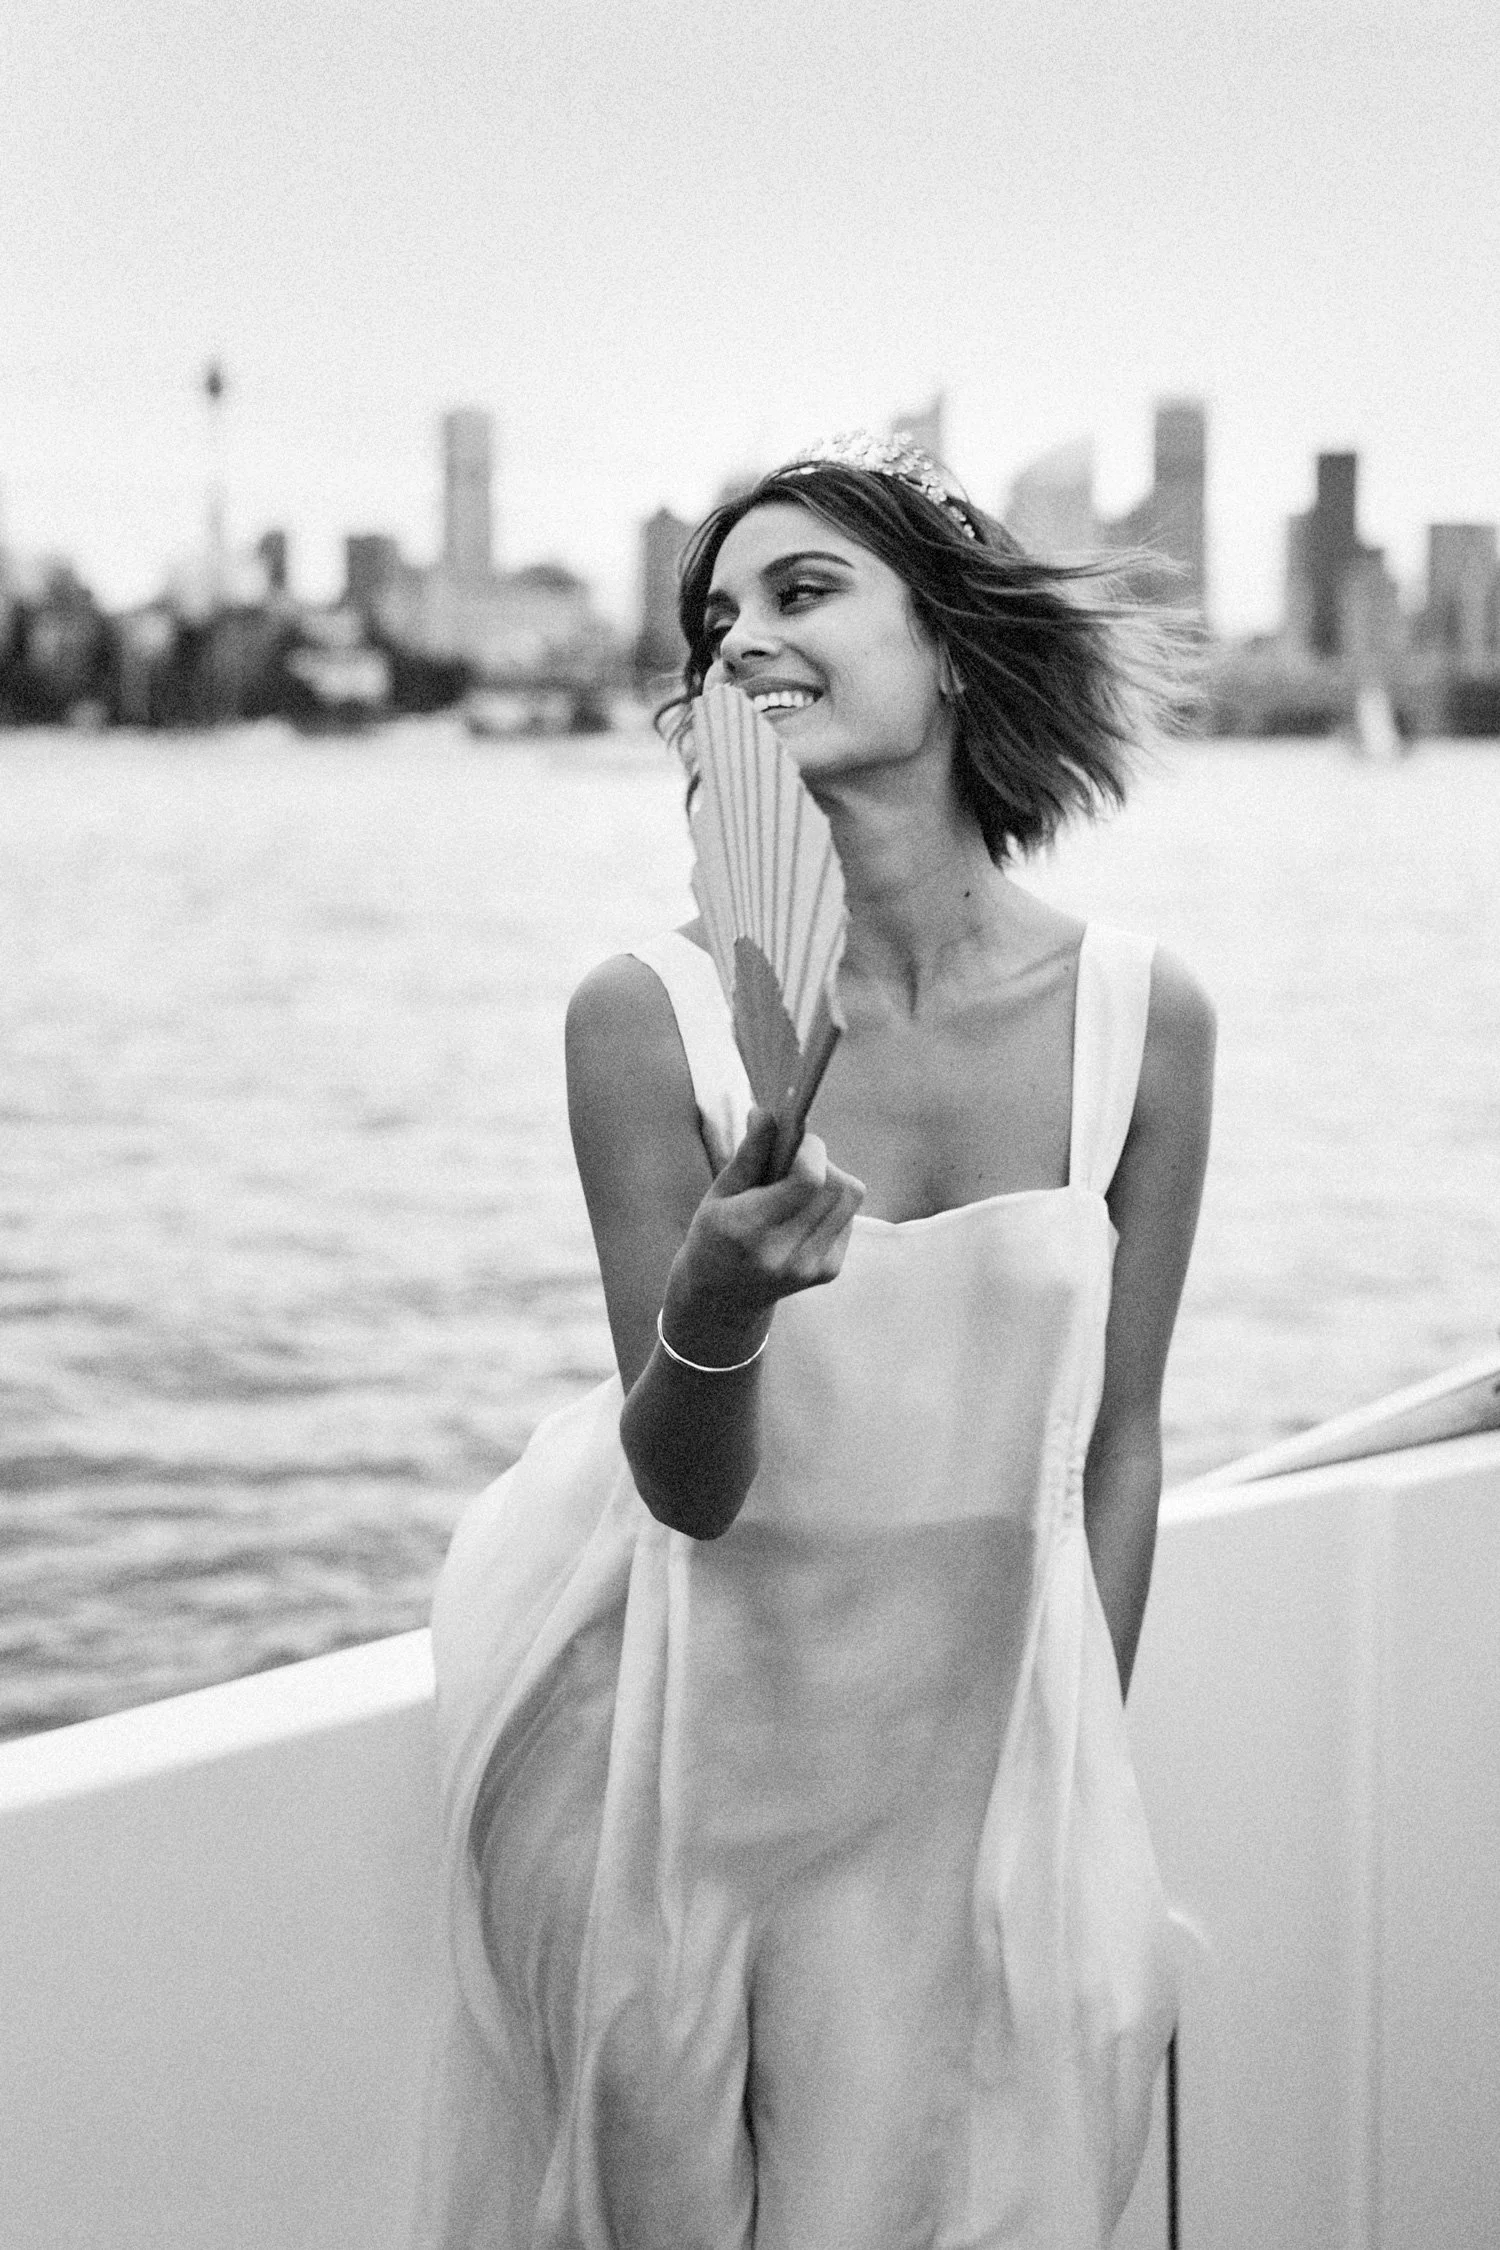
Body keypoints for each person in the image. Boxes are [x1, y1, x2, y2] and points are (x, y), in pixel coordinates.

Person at [414, 433, 1215, 2249]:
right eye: (712, 625)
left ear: (946, 646)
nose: (742, 643)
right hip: (688, 1766)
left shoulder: (1141, 1021)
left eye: (801, 590)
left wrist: (1068, 1784)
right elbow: (686, 1490)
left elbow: (1125, 1441)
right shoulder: (651, 1019)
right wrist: (716, 1298)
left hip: (981, 1764)